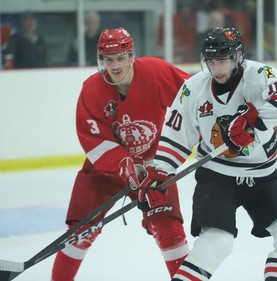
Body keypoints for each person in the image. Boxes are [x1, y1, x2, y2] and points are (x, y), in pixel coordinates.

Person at [138, 27, 277, 281]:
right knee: (217, 243)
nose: (216, 69)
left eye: (223, 60)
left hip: (263, 176)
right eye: (211, 61)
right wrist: (159, 173)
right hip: (216, 177)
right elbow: (176, 135)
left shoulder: (261, 74)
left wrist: (255, 117)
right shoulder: (193, 88)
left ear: (238, 56)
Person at [51, 27, 191, 281]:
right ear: (101, 61)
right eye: (108, 59)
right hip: (105, 170)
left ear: (131, 56)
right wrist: (122, 164)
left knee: (169, 229)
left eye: (120, 57)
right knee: (80, 232)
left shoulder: (156, 72)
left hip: (153, 169)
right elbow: (93, 139)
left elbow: (195, 96)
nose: (114, 65)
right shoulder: (92, 89)